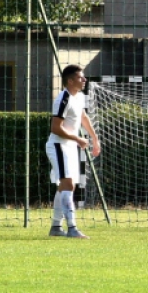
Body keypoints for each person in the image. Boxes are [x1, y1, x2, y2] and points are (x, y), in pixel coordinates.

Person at [45, 64, 101, 239]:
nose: (84, 80)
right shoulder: (63, 98)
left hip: (69, 146)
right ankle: (72, 228)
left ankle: (55, 227)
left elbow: (83, 117)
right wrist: (77, 139)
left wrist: (95, 139)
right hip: (58, 146)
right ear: (70, 81)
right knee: (68, 185)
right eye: (80, 77)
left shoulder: (79, 97)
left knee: (65, 186)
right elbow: (55, 127)